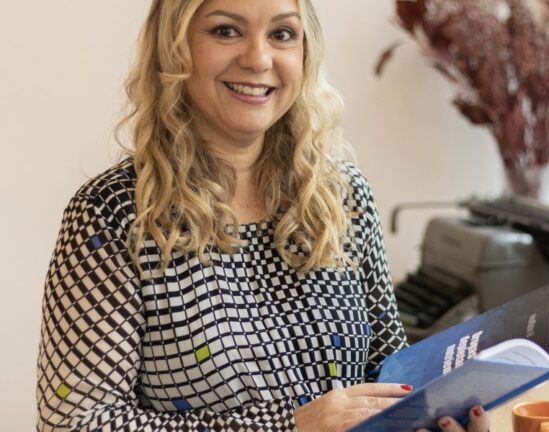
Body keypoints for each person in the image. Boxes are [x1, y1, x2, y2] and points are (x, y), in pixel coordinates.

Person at [36, 0, 490, 431]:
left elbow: (389, 375)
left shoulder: (341, 193)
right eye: (226, 30)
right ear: (174, 47)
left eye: (282, 34)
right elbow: (75, 421)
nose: (258, 59)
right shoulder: (113, 214)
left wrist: (434, 414)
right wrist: (288, 426)